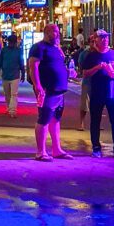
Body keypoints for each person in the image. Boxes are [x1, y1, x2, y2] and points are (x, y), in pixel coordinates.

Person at [28, 23, 77, 161]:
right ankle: (41, 151)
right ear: (47, 32)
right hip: (47, 90)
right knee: (44, 118)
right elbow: (33, 66)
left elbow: (58, 65)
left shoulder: (56, 48)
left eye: (57, 31)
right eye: (54, 31)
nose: (57, 33)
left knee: (55, 119)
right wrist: (37, 85)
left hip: (59, 90)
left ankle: (56, 149)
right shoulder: (38, 47)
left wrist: (68, 72)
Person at [79, 28, 114, 158]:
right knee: (95, 121)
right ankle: (96, 147)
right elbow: (85, 73)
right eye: (102, 38)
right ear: (96, 40)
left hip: (113, 93)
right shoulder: (91, 55)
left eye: (106, 37)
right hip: (97, 93)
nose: (105, 40)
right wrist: (98, 67)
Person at [0, 34, 24, 117]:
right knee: (7, 94)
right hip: (5, 75)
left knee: (14, 94)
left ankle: (12, 111)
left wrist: (23, 73)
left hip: (15, 75)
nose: (11, 44)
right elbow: (0, 61)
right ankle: (8, 108)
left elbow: (21, 62)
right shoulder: (4, 50)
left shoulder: (18, 51)